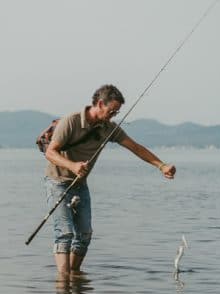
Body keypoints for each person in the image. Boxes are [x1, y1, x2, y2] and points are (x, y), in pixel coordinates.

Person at [44, 84, 176, 274]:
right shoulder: (71, 121)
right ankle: (63, 284)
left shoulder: (108, 128)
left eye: (116, 112)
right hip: (57, 182)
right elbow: (50, 152)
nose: (113, 115)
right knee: (64, 233)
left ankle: (74, 278)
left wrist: (161, 166)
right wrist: (73, 165)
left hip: (80, 185)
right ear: (100, 103)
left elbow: (136, 147)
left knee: (85, 235)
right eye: (112, 111)